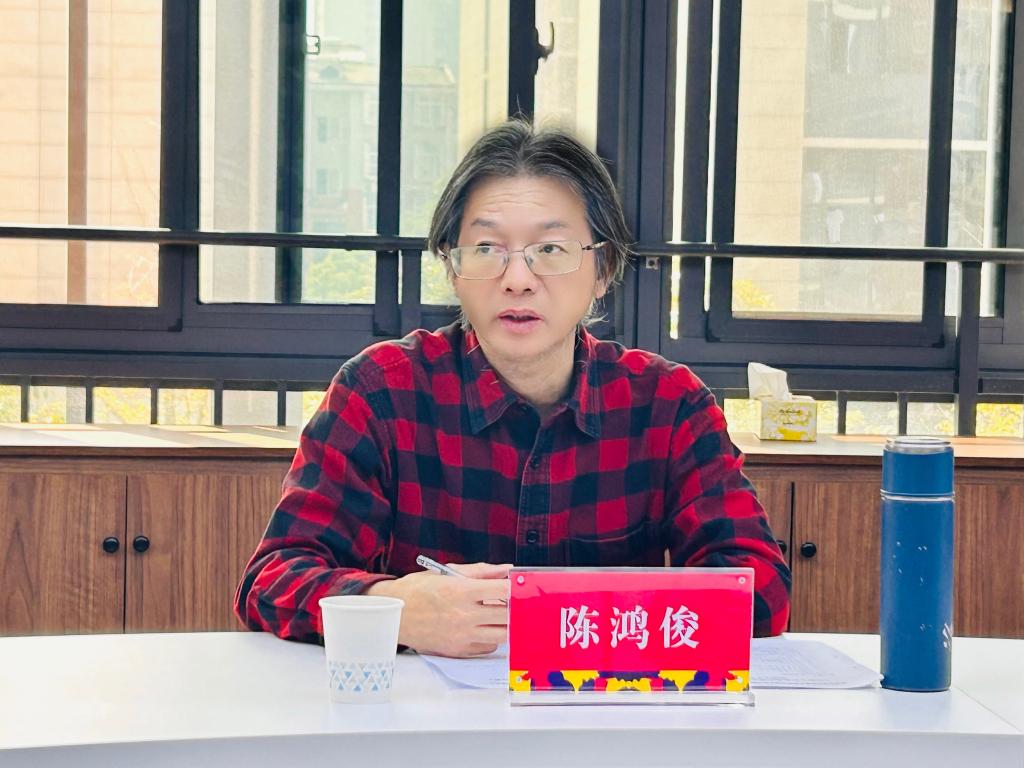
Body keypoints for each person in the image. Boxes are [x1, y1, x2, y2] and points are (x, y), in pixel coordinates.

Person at [234, 119, 791, 657]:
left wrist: (566, 616)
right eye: (486, 249)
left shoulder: (668, 405)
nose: (518, 279)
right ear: (452, 268)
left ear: (603, 270)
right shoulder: (380, 391)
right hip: (426, 714)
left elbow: (760, 591)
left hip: (602, 709)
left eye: (550, 250)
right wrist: (394, 607)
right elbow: (273, 579)